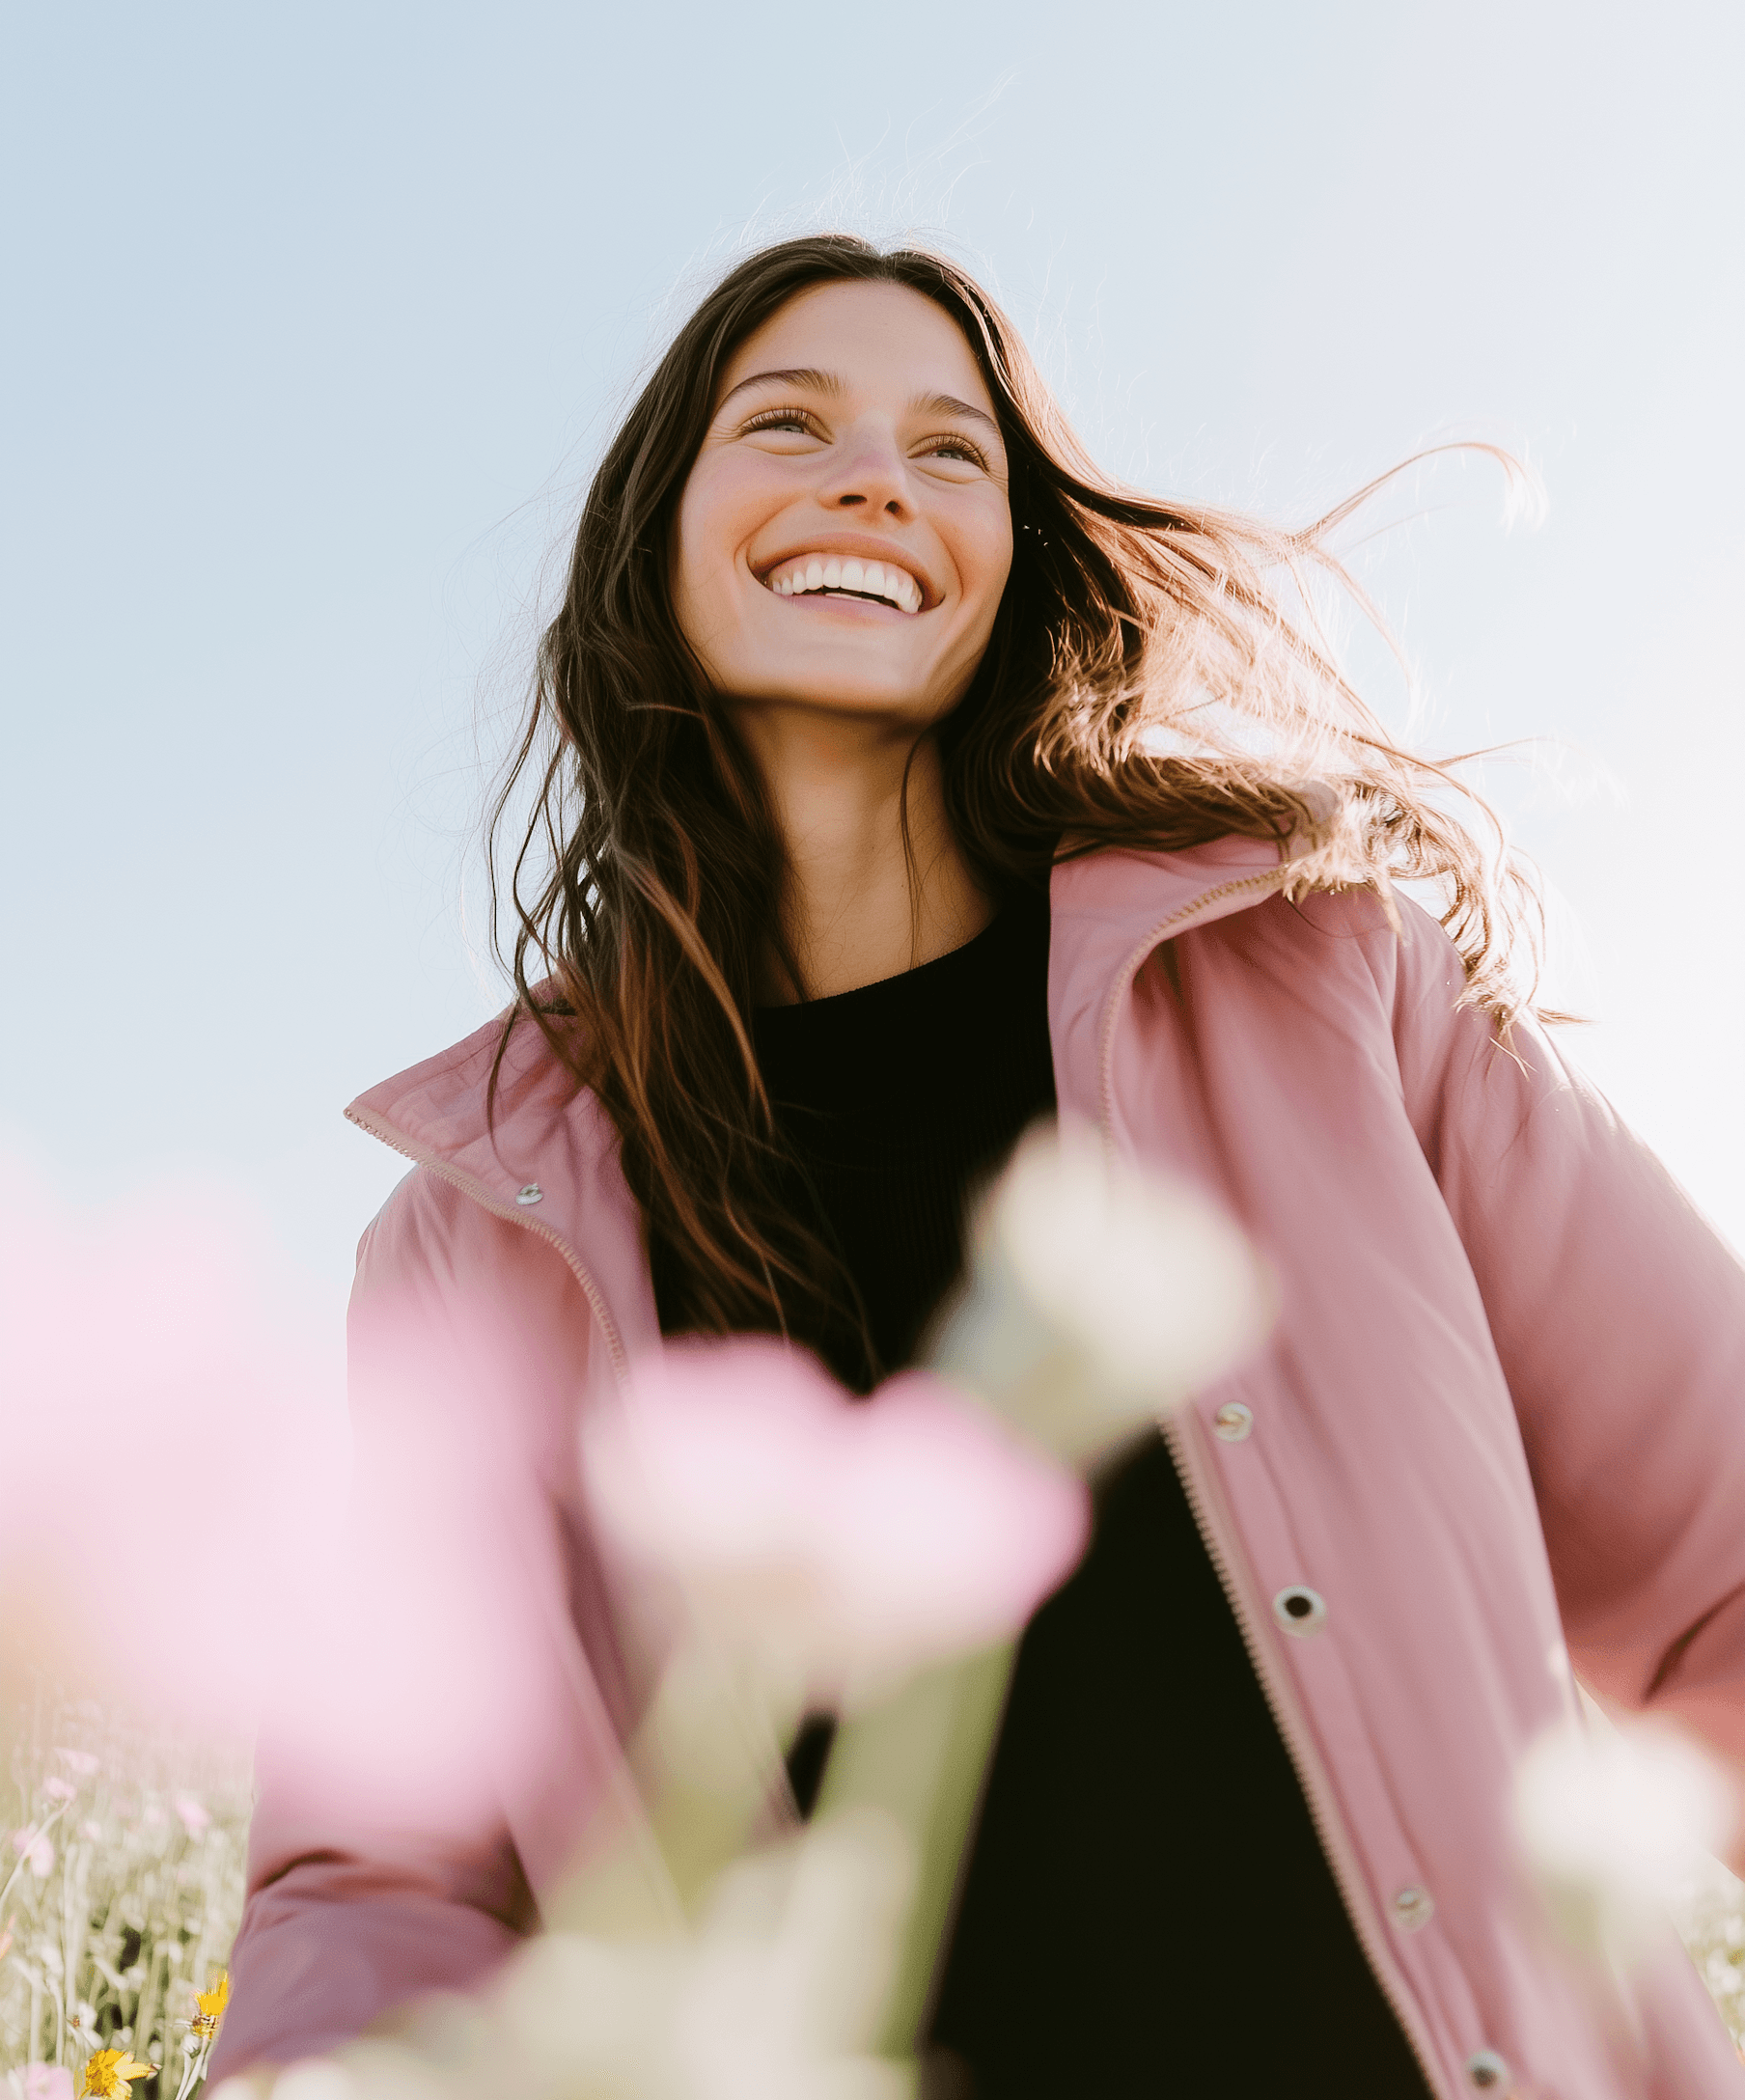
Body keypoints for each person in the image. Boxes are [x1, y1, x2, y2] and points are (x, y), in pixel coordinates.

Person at [214, 235, 1745, 2096]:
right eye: (789, 422)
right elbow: (384, 1876)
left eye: (956, 454)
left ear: (1010, 560)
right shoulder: (476, 1240)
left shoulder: (1326, 985)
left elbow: (1721, 1565)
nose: (876, 478)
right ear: (659, 539)